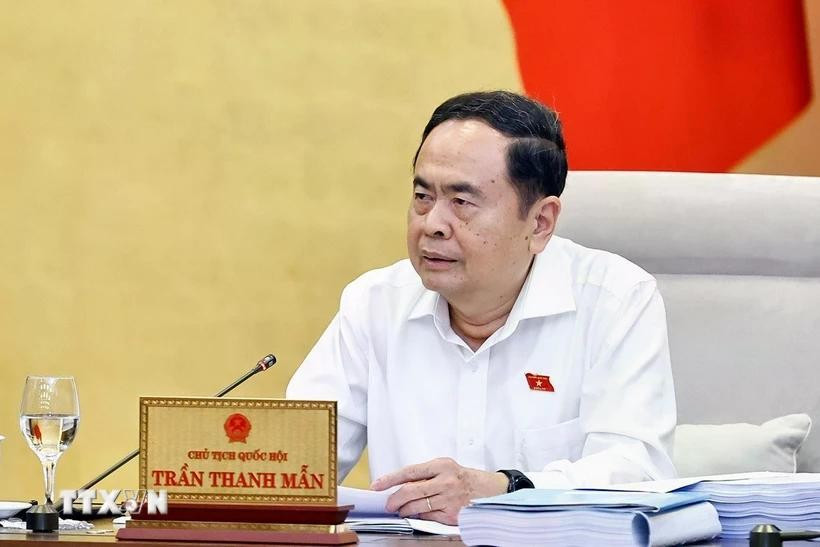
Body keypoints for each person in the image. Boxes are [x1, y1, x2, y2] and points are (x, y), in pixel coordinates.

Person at [286, 90, 676, 525]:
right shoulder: (374, 303)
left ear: (540, 223)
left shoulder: (616, 300)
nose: (432, 224)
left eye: (462, 202)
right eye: (422, 196)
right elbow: (297, 464)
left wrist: (506, 489)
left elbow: (637, 473)